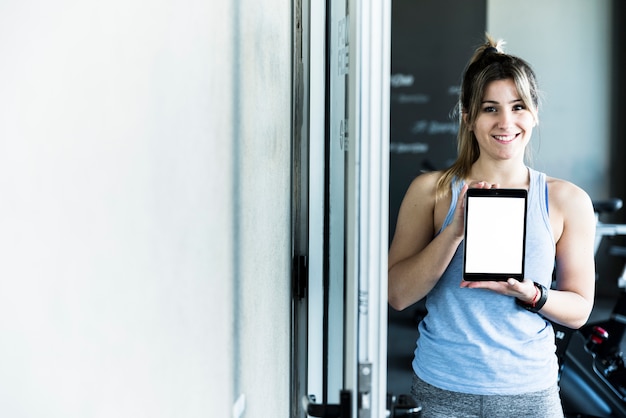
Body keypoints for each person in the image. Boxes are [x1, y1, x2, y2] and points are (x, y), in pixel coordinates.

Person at [388, 35, 596, 418]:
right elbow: (397, 295)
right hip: (441, 390)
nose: (506, 122)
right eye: (490, 109)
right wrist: (454, 232)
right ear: (468, 117)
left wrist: (532, 293)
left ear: (533, 114)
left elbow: (580, 309)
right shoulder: (430, 192)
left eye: (518, 107)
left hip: (530, 394)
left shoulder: (567, 201)